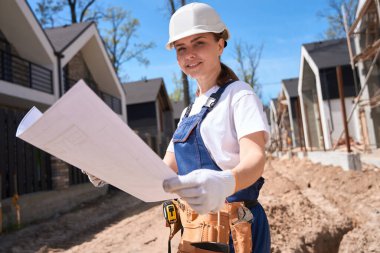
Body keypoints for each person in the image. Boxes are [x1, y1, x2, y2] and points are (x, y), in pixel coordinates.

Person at [162, 2, 271, 252]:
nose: (189, 53)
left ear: (220, 44)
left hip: (236, 231)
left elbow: (255, 157)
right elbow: (164, 171)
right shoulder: (188, 111)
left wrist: (225, 182)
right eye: (181, 48)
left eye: (199, 42)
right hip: (195, 232)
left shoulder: (239, 95)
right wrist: (115, 170)